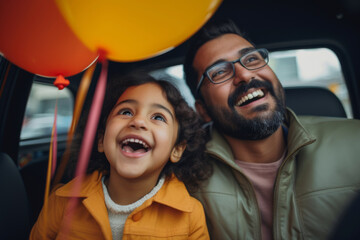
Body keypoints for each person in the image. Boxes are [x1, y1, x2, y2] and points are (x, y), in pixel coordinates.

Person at [183, 19, 360, 240]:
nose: (245, 75)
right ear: (203, 110)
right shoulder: (183, 178)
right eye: (219, 72)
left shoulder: (356, 144)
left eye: (251, 59)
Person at [30, 72, 211, 240]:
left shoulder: (190, 216)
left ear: (177, 149)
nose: (138, 121)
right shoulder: (61, 202)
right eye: (126, 112)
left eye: (158, 117)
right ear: (101, 140)